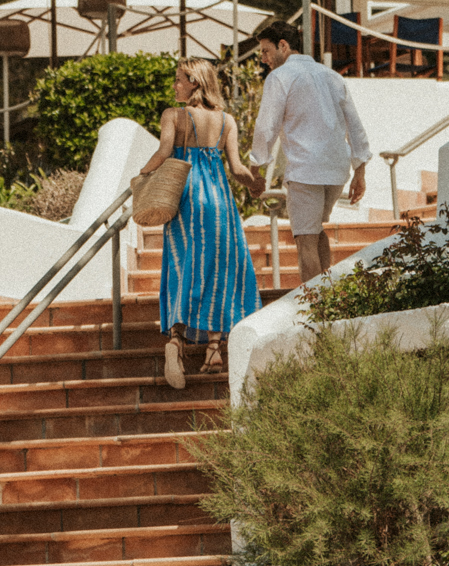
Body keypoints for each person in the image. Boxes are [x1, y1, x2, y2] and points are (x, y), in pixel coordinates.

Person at [137, 57, 264, 390]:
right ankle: (213, 351)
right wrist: (255, 185)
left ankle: (176, 340)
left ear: (194, 81)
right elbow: (237, 169)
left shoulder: (174, 116)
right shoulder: (226, 121)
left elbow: (164, 151)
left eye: (179, 79)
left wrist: (141, 176)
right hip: (220, 201)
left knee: (184, 267)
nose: (175, 85)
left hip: (186, 199)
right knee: (220, 269)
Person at [250, 20, 371, 285]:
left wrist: (256, 167)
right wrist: (359, 171)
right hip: (336, 170)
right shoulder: (331, 75)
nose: (263, 59)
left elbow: (266, 126)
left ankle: (316, 308)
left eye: (266, 51)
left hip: (306, 169)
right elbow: (355, 124)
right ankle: (325, 295)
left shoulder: (280, 77)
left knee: (305, 240)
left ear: (283, 46)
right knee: (315, 231)